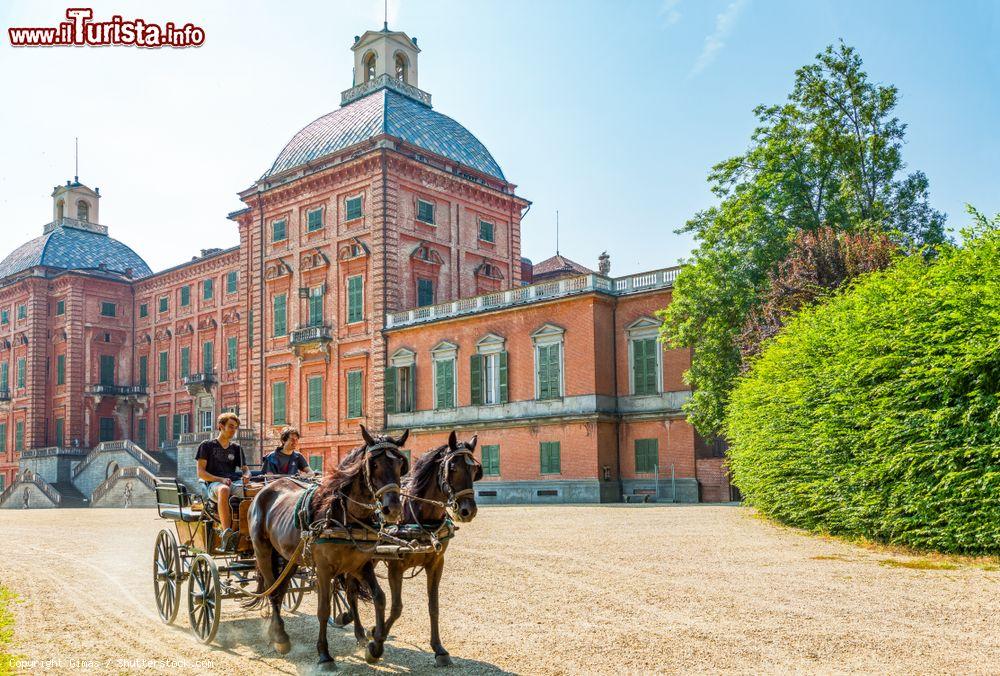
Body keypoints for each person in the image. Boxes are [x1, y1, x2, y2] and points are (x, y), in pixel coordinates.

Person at [196, 412, 249, 550]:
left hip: (234, 482)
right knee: (224, 489)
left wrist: (247, 475)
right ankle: (227, 533)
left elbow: (245, 469)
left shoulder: (237, 449)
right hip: (213, 485)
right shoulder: (206, 446)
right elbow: (201, 473)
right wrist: (220, 479)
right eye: (231, 426)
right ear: (221, 426)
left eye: (235, 427)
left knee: (256, 490)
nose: (233, 430)